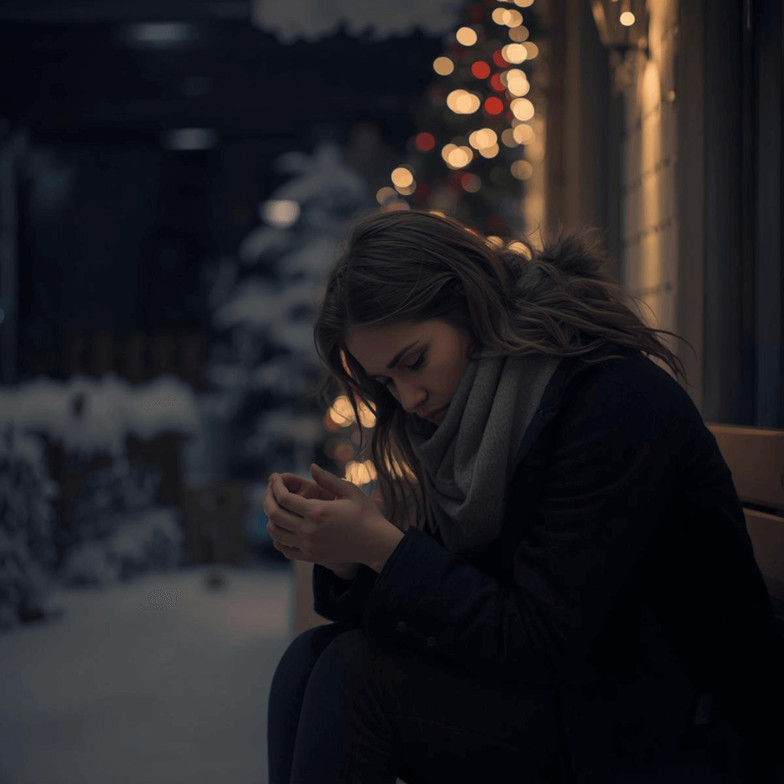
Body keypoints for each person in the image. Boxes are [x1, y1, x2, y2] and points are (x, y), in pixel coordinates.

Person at [264, 209, 781, 784]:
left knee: (350, 676)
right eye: (386, 382)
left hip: (667, 730)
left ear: (470, 304)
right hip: (576, 704)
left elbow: (542, 641)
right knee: (308, 662)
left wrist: (385, 549)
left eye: (414, 361)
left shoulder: (610, 401)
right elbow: (469, 603)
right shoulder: (479, 423)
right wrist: (349, 555)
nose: (408, 398)